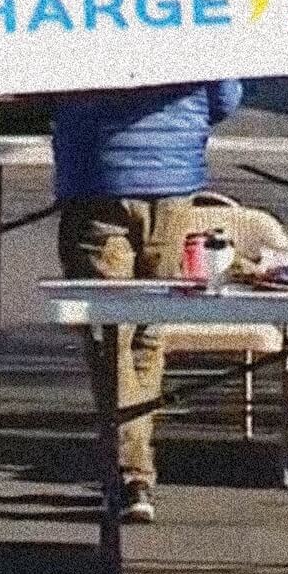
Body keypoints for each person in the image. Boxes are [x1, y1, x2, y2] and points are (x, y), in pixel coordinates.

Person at [54, 80, 243, 526]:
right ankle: (135, 468)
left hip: (98, 175)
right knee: (148, 330)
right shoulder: (194, 32)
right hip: (175, 183)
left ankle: (130, 473)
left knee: (110, 335)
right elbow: (225, 98)